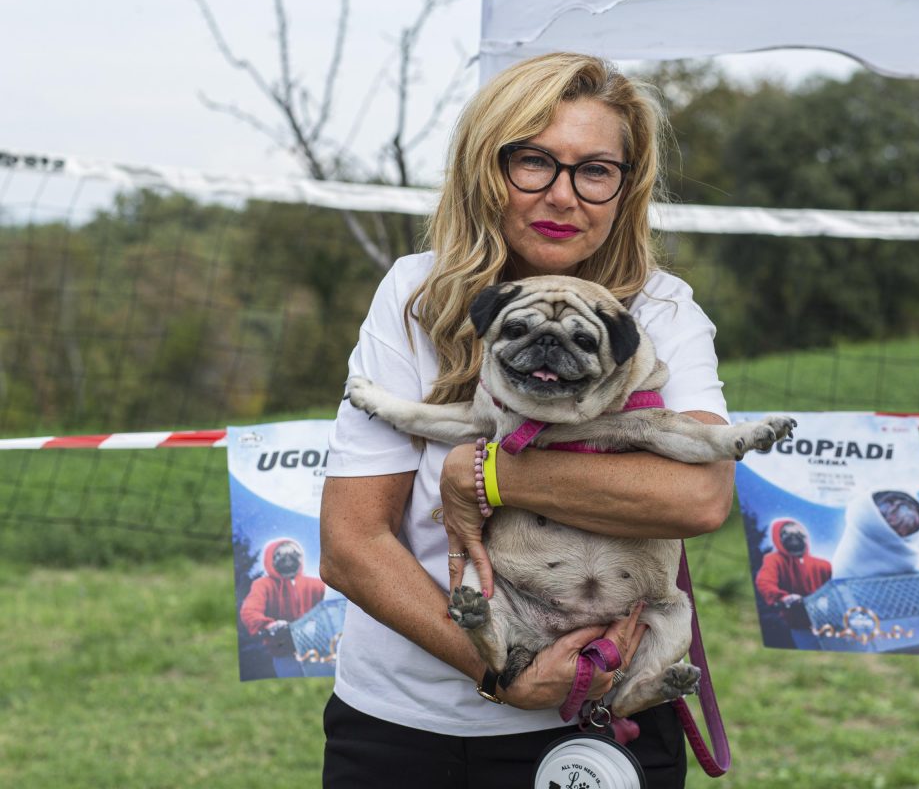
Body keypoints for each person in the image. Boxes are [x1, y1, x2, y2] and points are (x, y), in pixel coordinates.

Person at [318, 52, 733, 788]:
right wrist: (499, 670)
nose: (564, 195)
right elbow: (351, 544)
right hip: (406, 725)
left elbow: (699, 496)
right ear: (486, 167)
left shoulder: (663, 311)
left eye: (595, 170)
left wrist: (487, 471)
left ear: (624, 187)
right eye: (534, 162)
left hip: (605, 726)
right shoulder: (417, 296)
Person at [239, 538, 327, 677]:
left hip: (318, 648)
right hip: (284, 650)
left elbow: (335, 603)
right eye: (280, 555)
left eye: (293, 554)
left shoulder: (316, 585)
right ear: (270, 559)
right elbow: (250, 611)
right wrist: (269, 625)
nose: (287, 560)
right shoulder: (263, 585)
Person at [754, 518, 832, 633]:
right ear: (777, 537)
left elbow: (835, 588)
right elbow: (765, 582)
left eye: (798, 533)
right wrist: (782, 597)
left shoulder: (823, 565)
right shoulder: (773, 560)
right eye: (786, 533)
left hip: (826, 620)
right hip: (795, 622)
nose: (793, 536)